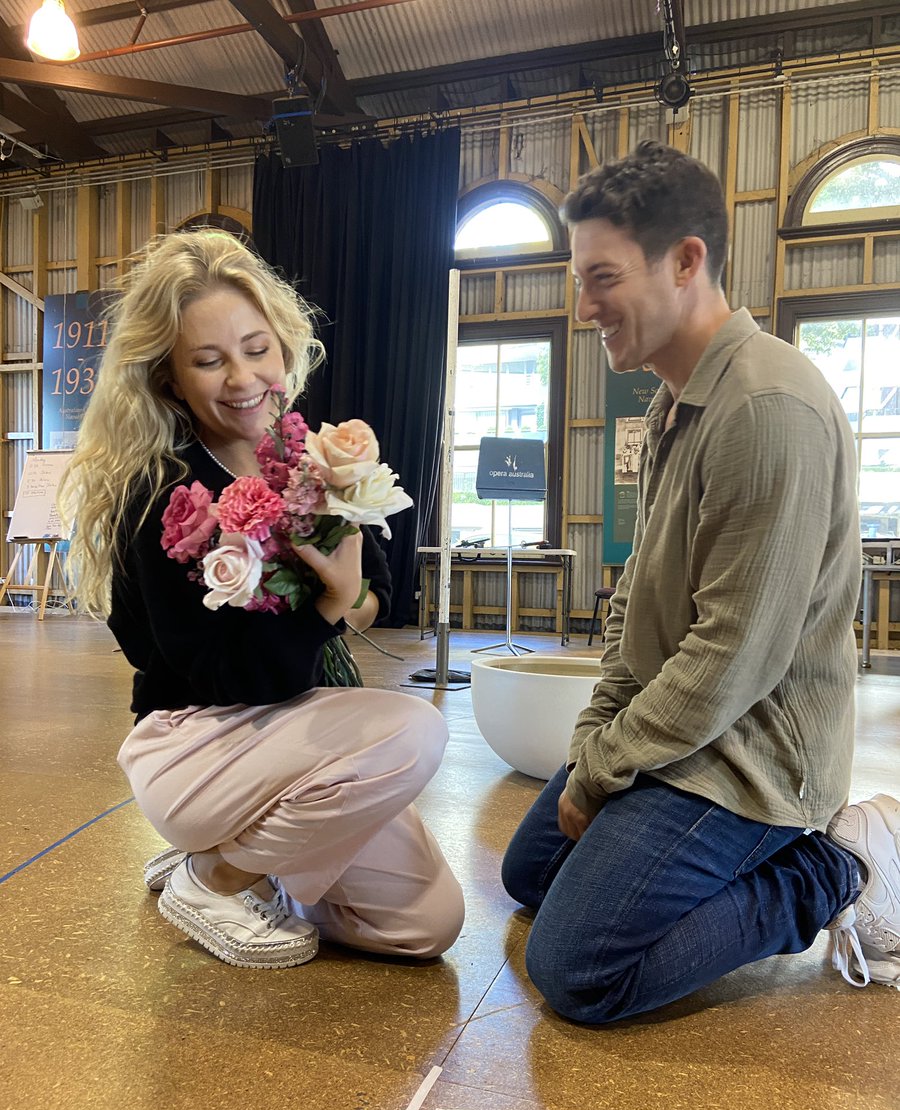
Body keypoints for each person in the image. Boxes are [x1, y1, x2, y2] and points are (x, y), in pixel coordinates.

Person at [501, 140, 900, 1023]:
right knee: (528, 874)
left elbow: (732, 658)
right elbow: (639, 602)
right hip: (689, 727)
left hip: (752, 756)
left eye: (602, 278)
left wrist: (599, 775)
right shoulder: (676, 400)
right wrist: (596, 738)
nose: (581, 307)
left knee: (577, 972)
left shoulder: (767, 410)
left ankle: (835, 868)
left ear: (686, 262)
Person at [61, 229, 464, 969]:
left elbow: (377, 592)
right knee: (413, 732)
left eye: (256, 349)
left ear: (285, 347)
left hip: (296, 732)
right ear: (170, 379)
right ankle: (210, 876)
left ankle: (250, 855)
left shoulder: (303, 454)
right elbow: (223, 673)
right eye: (208, 360)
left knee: (425, 926)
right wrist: (327, 602)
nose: (241, 377)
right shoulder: (162, 494)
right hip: (196, 738)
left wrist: (346, 596)